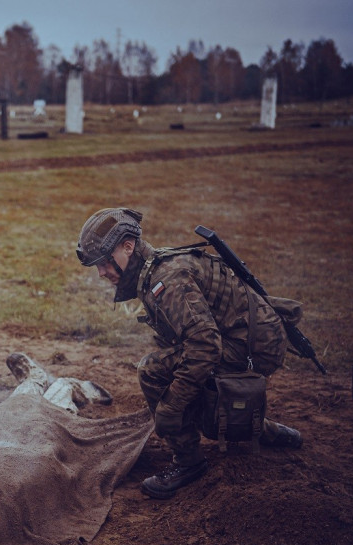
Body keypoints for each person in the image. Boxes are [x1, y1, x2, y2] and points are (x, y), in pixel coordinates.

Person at [76, 207, 302, 499]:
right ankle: (262, 428)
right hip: (248, 336)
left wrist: (171, 406)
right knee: (180, 368)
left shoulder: (167, 280)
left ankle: (188, 461)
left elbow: (205, 347)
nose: (102, 273)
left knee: (154, 371)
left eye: (105, 263)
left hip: (254, 346)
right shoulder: (154, 269)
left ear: (128, 247)